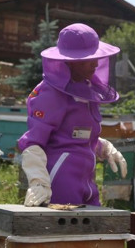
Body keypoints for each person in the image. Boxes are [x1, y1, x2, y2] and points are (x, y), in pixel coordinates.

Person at [18, 23, 128, 207]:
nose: (95, 63)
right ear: (70, 60)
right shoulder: (51, 94)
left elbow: (77, 134)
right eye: (88, 58)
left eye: (97, 56)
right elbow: (33, 142)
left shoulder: (88, 91)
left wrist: (104, 147)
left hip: (87, 182)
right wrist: (39, 182)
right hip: (59, 183)